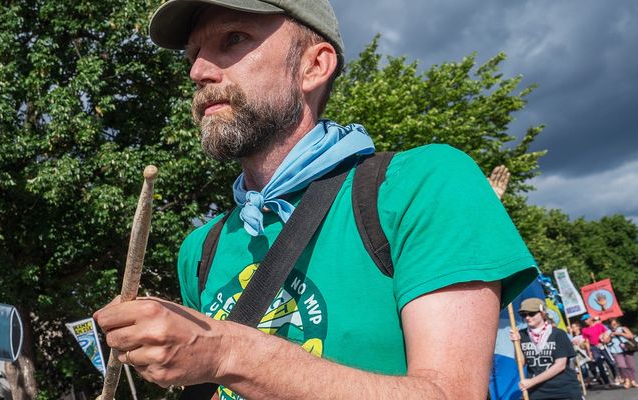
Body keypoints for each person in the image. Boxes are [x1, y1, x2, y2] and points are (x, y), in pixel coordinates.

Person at [92, 0, 537, 398]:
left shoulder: (421, 183)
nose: (198, 71)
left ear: (313, 66)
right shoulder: (201, 249)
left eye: (233, 38)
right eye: (193, 55)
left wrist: (225, 351)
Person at [511, 298, 583, 400]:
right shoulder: (522, 334)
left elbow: (560, 365)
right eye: (524, 314)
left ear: (542, 313)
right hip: (537, 392)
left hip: (563, 390)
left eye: (531, 314)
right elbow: (521, 363)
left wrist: (532, 382)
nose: (527, 317)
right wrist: (516, 343)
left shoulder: (558, 334)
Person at [581, 315, 615, 386]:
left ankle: (616, 377)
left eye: (586, 319)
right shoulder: (584, 330)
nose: (585, 321)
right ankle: (606, 382)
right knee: (600, 365)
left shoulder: (599, 325)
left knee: (610, 362)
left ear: (590, 319)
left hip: (602, 345)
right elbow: (586, 341)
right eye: (584, 320)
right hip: (594, 348)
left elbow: (606, 333)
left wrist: (604, 339)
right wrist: (589, 352)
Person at [606, 318, 637, 388]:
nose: (613, 326)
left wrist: (620, 333)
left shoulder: (623, 328)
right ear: (609, 325)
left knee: (630, 366)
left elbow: (631, 336)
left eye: (614, 324)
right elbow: (605, 341)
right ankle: (627, 380)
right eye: (611, 325)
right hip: (616, 351)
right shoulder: (608, 332)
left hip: (627, 349)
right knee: (622, 366)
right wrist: (610, 336)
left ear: (617, 323)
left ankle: (633, 381)